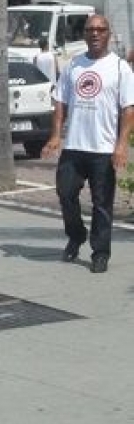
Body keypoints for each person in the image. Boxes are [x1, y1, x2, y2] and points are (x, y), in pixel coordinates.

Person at [41, 15, 134, 273]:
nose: (95, 34)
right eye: (90, 29)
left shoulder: (119, 68)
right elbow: (60, 102)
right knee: (65, 192)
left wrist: (121, 145)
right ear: (84, 34)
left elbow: (128, 110)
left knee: (102, 204)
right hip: (74, 147)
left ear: (108, 34)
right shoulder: (74, 65)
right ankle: (76, 235)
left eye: (100, 30)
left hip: (103, 150)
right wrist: (56, 135)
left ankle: (100, 253)